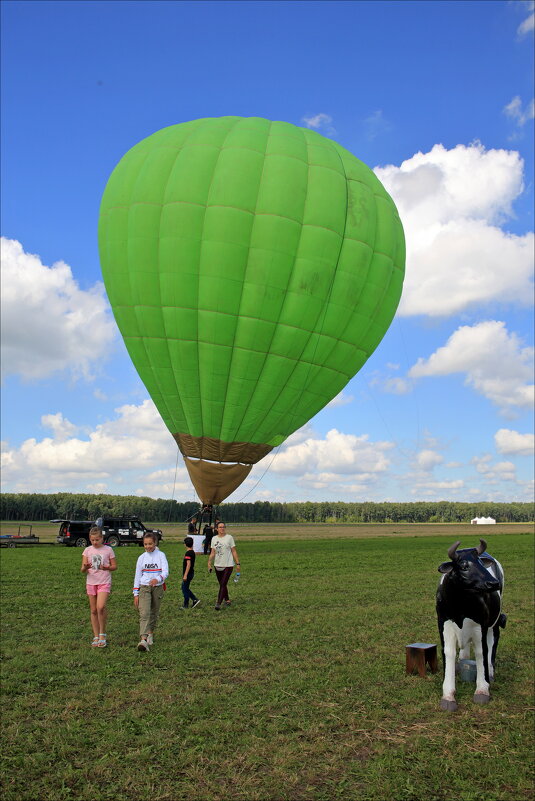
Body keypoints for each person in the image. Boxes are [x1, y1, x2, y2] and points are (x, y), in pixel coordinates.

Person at [81, 526, 117, 648]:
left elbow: (114, 566)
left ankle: (102, 634)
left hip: (104, 581)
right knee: (93, 610)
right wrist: (86, 567)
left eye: (97, 540)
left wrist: (105, 567)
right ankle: (96, 636)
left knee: (100, 607)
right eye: (92, 540)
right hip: (91, 582)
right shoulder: (87, 551)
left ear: (102, 538)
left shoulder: (108, 550)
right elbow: (82, 570)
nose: (95, 542)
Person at [133, 532, 169, 651]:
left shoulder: (161, 555)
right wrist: (136, 593)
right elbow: (137, 576)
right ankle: (143, 640)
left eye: (150, 544)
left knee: (154, 612)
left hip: (157, 588)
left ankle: (150, 633)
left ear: (155, 543)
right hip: (144, 587)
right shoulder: (141, 558)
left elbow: (165, 572)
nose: (148, 546)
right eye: (145, 544)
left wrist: (157, 579)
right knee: (144, 613)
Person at [207, 521, 241, 610]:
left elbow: (234, 551)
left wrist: (237, 563)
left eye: (223, 527)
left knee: (223, 583)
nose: (222, 528)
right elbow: (213, 552)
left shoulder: (229, 538)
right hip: (217, 564)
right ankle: (227, 599)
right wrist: (209, 562)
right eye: (220, 527)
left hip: (228, 565)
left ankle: (218, 603)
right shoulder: (214, 539)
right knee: (222, 584)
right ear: (217, 529)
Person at [181, 536, 201, 610]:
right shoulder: (192, 552)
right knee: (184, 588)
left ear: (185, 544)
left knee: (184, 589)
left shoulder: (188, 553)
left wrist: (185, 575)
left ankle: (186, 604)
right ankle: (195, 599)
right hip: (191, 573)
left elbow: (188, 564)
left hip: (188, 574)